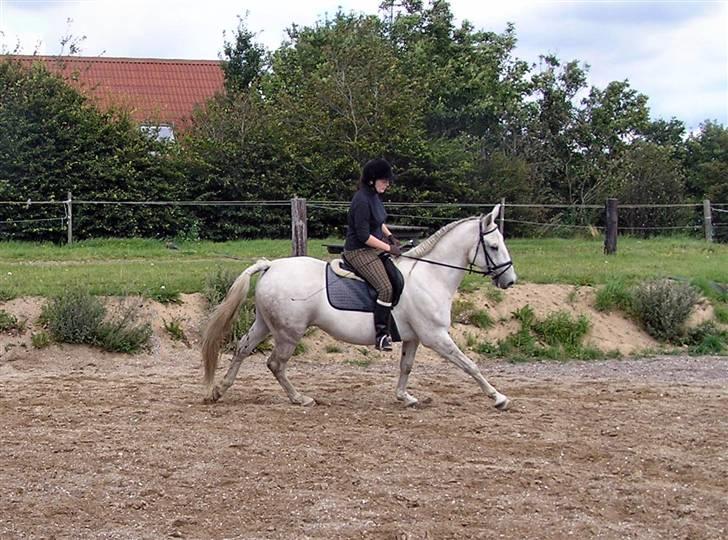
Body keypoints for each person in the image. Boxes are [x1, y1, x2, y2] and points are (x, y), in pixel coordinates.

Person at [343, 158, 402, 351]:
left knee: (396, 277)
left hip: (373, 248)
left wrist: (390, 236)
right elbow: (364, 236)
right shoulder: (361, 200)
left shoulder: (374, 196)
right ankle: (382, 335)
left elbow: (378, 222)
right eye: (384, 180)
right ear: (372, 180)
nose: (387, 184)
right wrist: (388, 248)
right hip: (358, 251)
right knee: (385, 288)